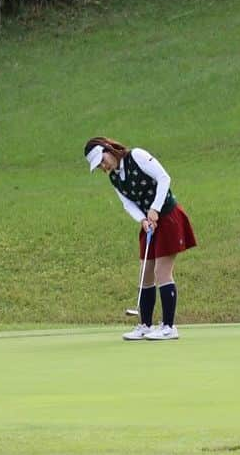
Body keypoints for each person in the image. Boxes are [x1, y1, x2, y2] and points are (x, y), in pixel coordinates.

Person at [84, 137, 197, 341]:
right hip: (150, 223)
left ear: (108, 150)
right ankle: (145, 325)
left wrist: (155, 208)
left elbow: (164, 178)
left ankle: (169, 327)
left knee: (162, 272)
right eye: (99, 165)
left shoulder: (137, 156)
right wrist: (143, 219)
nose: (103, 166)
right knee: (145, 273)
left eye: (102, 160)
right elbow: (128, 204)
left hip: (168, 217)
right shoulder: (114, 177)